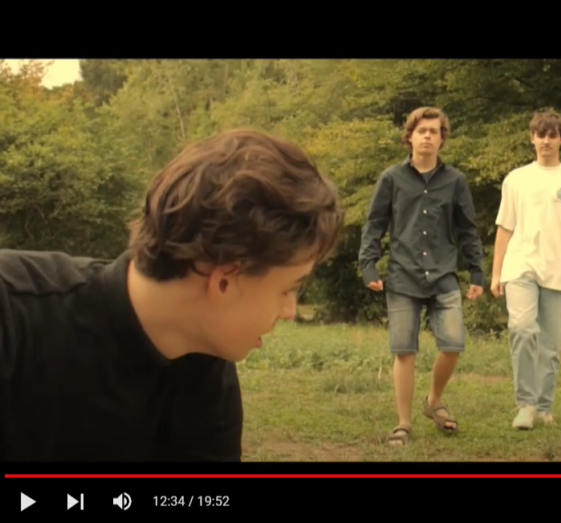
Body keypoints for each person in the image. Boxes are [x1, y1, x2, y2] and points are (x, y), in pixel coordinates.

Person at [0, 128, 343, 460]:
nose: (289, 311)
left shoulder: (207, 373)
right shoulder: (12, 314)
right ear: (224, 282)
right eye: (287, 290)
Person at [358, 106, 484, 446]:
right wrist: (369, 265)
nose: (427, 136)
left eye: (434, 131)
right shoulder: (391, 179)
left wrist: (476, 272)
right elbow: (374, 224)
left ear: (442, 138)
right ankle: (403, 423)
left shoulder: (456, 181)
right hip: (403, 275)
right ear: (410, 137)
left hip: (444, 274)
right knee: (404, 351)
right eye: (421, 131)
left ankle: (433, 400)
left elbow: (467, 230)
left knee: (453, 344)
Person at [490, 109, 561, 430]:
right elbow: (504, 227)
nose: (546, 141)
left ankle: (543, 407)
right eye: (541, 135)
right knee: (523, 329)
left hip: (559, 271)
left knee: (551, 346)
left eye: (552, 136)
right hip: (520, 267)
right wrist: (496, 273)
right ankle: (525, 405)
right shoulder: (516, 179)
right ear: (532, 138)